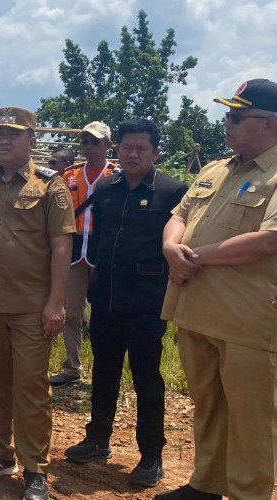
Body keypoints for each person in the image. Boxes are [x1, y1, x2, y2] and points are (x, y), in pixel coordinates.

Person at [159, 78, 277, 500]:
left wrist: (195, 257)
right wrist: (171, 247)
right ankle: (207, 485)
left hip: (247, 319)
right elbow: (180, 214)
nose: (227, 123)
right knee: (208, 405)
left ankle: (249, 493)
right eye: (228, 114)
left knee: (251, 418)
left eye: (237, 117)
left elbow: (269, 241)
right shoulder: (215, 169)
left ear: (269, 124)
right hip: (196, 309)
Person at [63, 119, 187, 488]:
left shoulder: (172, 191)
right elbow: (100, 236)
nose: (132, 154)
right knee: (104, 370)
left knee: (147, 377)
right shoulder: (106, 188)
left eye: (141, 149)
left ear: (155, 153)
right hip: (106, 296)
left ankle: (151, 455)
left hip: (147, 302)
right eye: (127, 147)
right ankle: (97, 439)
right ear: (117, 149)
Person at [0, 107, 74, 500]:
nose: (4, 140)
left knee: (30, 387)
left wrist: (56, 304)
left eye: (13, 134)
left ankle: (35, 468)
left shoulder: (50, 186)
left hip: (31, 306)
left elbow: (62, 246)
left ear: (31, 140)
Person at [50, 122, 116, 388]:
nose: (89, 147)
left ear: (108, 145)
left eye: (95, 142)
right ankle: (72, 367)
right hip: (75, 252)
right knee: (72, 314)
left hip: (103, 253)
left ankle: (105, 370)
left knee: (104, 315)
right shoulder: (70, 175)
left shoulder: (117, 176)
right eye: (85, 142)